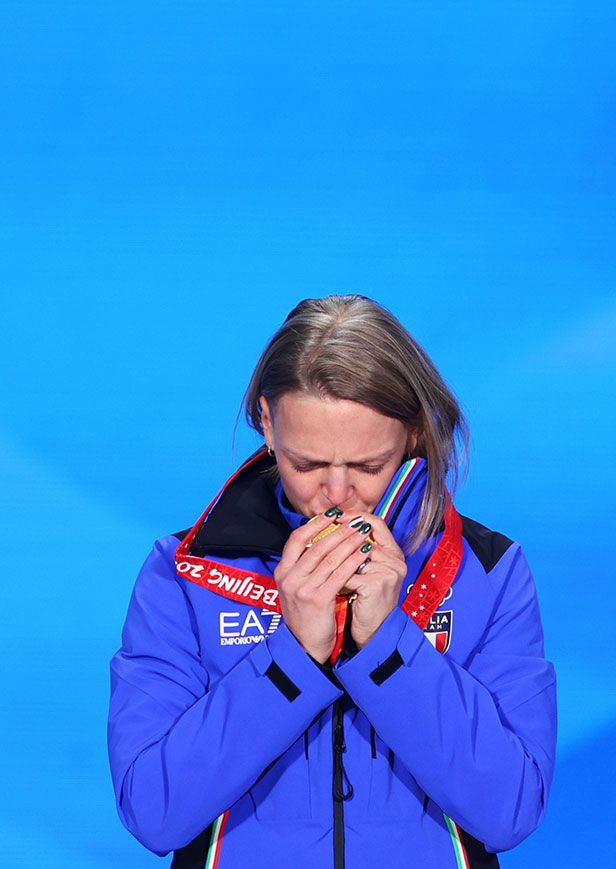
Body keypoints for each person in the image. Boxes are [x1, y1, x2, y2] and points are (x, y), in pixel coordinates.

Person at [108, 296, 556, 867]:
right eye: (307, 465)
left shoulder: (488, 570)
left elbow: (511, 810)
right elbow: (153, 812)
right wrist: (291, 657)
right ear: (267, 423)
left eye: (369, 466)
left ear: (414, 433)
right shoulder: (184, 573)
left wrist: (388, 646)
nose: (338, 494)